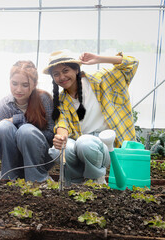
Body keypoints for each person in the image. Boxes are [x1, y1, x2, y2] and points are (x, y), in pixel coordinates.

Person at [43, 49, 139, 185]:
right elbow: (62, 124)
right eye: (56, 74)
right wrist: (61, 137)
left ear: (76, 69)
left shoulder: (102, 80)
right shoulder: (61, 100)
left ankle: (96, 181)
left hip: (107, 145)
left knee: (85, 142)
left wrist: (99, 59)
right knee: (64, 147)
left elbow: (132, 63)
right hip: (80, 146)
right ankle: (75, 184)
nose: (62, 77)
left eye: (65, 71)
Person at [0, 60, 55, 182]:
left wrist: (18, 121)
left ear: (34, 84)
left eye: (25, 85)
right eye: (14, 84)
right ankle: (9, 178)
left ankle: (38, 179)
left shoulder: (43, 100)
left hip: (39, 159)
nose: (18, 90)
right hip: (13, 161)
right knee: (3, 126)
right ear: (9, 82)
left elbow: (51, 136)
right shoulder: (4, 106)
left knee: (26, 131)